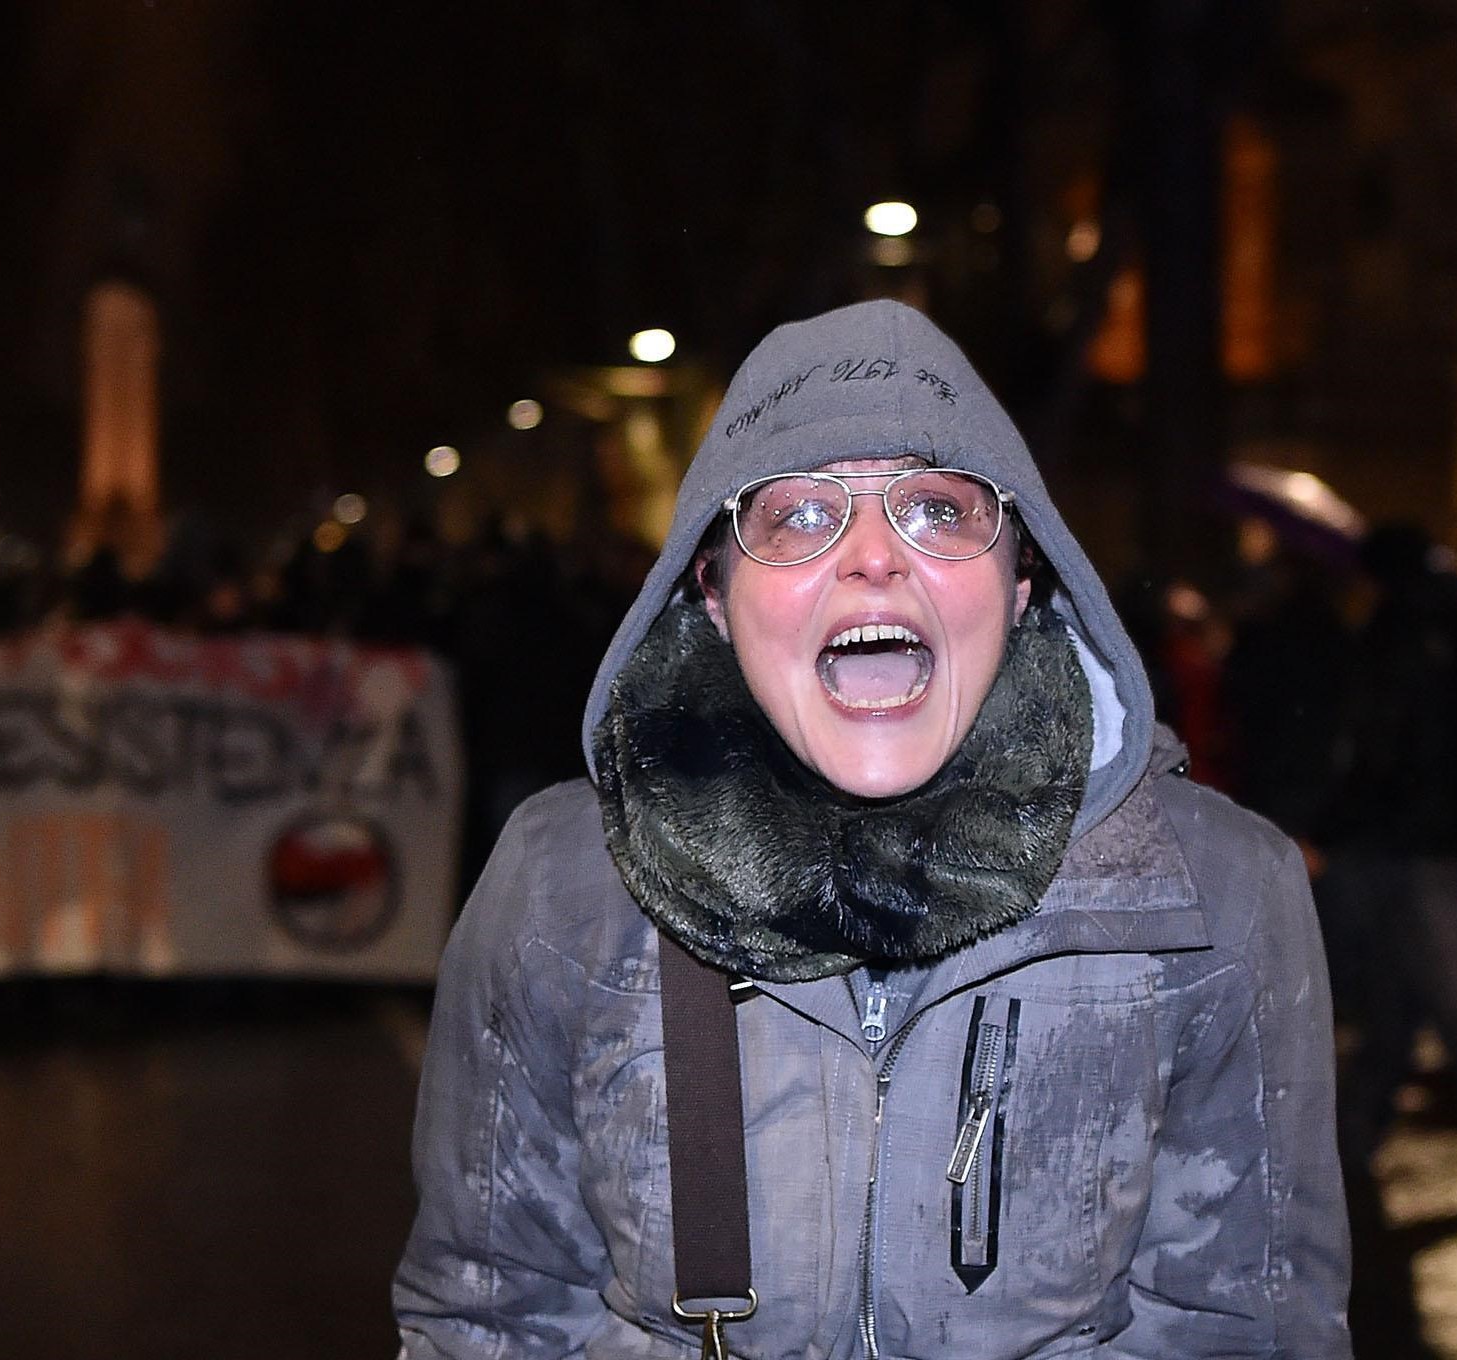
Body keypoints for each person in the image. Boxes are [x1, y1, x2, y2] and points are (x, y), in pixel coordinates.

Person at [394, 300, 1350, 1358]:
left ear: (1022, 580)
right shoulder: (560, 883)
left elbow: (1252, 1331)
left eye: (936, 510)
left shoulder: (1213, 890)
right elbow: (486, 1318)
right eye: (798, 514)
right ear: (711, 593)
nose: (870, 556)